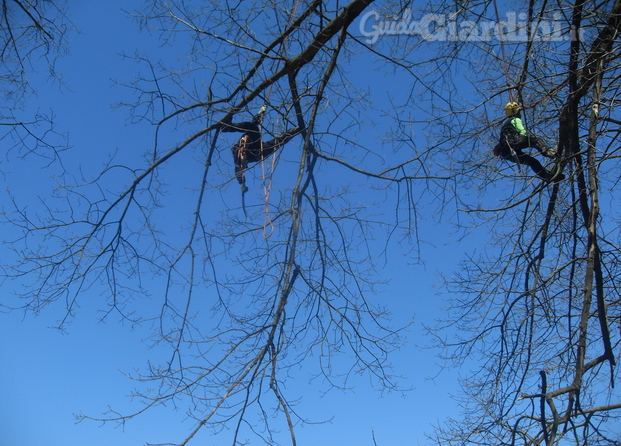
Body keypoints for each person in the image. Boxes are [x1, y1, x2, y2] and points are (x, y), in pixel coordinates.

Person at [221, 105, 301, 192]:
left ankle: (295, 131)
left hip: (258, 150)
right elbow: (238, 167)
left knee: (274, 140)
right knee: (275, 141)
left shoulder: (247, 139)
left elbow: (254, 123)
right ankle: (228, 127)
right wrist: (242, 184)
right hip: (255, 153)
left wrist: (261, 112)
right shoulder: (238, 152)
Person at [493, 102, 564, 182]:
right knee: (535, 140)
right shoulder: (515, 119)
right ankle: (548, 152)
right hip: (514, 141)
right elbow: (522, 131)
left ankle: (546, 176)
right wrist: (528, 138)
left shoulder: (505, 126)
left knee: (532, 162)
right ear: (516, 111)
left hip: (506, 152)